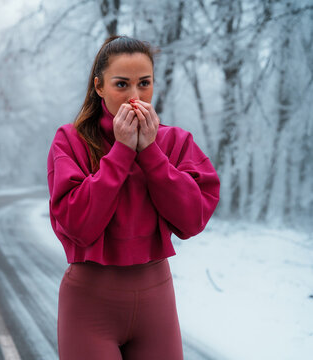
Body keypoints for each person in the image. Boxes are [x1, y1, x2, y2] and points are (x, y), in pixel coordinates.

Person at [46, 35, 220, 359]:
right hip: (89, 305)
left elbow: (192, 219)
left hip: (157, 302)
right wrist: (122, 151)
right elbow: (77, 224)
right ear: (99, 87)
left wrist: (151, 153)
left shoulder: (175, 142)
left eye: (144, 83)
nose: (135, 97)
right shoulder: (70, 141)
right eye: (121, 85)